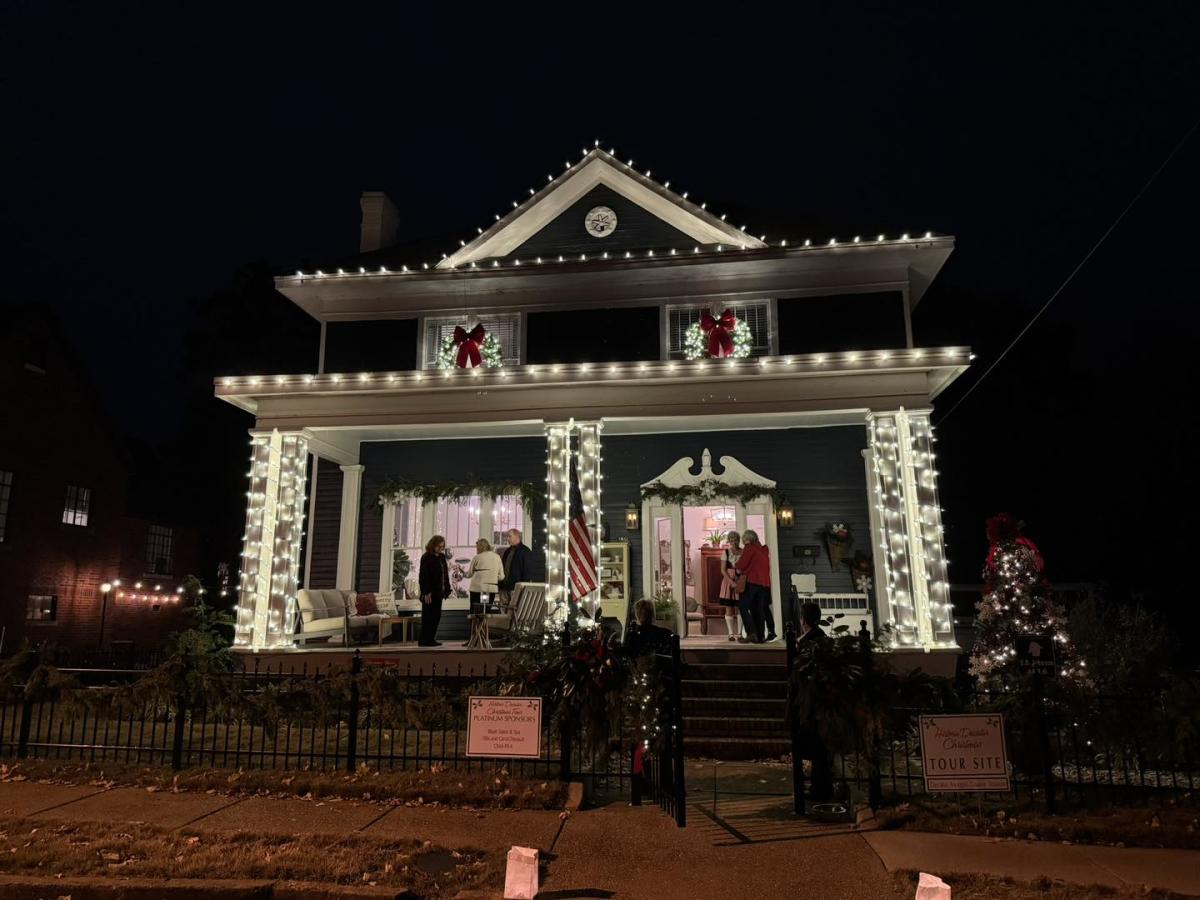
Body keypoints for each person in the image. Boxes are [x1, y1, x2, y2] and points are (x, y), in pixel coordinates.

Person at [794, 600, 833, 801]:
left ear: (803, 620)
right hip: (818, 699)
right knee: (818, 747)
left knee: (815, 745)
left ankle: (818, 787)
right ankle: (819, 784)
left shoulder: (808, 641)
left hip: (813, 700)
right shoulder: (820, 638)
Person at [734, 529, 773, 643]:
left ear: (747, 539)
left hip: (751, 582)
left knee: (743, 607)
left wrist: (736, 565)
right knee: (758, 610)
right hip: (763, 584)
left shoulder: (749, 548)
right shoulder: (763, 550)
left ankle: (751, 633)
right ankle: (760, 637)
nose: (743, 542)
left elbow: (741, 564)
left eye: (744, 539)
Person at [417, 534, 451, 646]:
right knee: (428, 616)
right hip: (429, 593)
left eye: (442, 546)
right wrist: (426, 592)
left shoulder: (441, 557)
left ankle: (431, 638)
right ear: (433, 545)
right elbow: (423, 576)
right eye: (439, 546)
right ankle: (424, 640)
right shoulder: (426, 557)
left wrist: (447, 589)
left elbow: (445, 574)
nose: (441, 549)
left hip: (439, 592)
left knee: (436, 616)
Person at [497, 528, 532, 610]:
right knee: (503, 610)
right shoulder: (507, 551)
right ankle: (505, 623)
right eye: (507, 537)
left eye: (509, 536)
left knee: (516, 610)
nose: (507, 539)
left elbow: (527, 571)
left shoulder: (525, 551)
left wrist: (523, 587)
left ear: (517, 536)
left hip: (516, 588)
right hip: (504, 587)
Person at [466, 537, 504, 609]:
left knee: (475, 612)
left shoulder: (477, 557)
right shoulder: (497, 557)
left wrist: (463, 574)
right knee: (485, 610)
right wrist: (491, 577)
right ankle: (484, 620)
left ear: (480, 547)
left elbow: (469, 574)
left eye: (477, 547)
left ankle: (476, 620)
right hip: (490, 589)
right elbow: (501, 577)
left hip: (477, 589)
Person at [719, 530, 743, 642]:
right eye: (731, 540)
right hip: (728, 581)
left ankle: (739, 633)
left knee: (740, 607)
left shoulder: (743, 552)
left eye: (735, 539)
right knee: (729, 607)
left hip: (740, 580)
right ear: (729, 541)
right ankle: (730, 633)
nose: (733, 542)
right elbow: (723, 570)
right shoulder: (726, 553)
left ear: (738, 540)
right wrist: (731, 582)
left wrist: (739, 579)